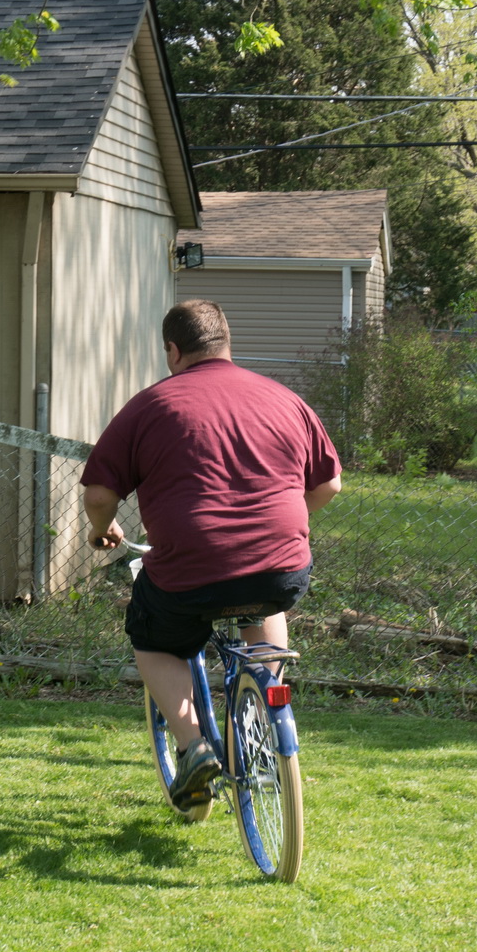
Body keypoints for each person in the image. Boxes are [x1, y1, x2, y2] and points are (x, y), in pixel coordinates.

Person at [81, 299, 342, 813]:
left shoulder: (151, 406)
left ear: (172, 350)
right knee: (265, 604)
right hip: (281, 567)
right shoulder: (284, 399)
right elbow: (329, 484)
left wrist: (103, 529)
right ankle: (263, 704)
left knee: (153, 639)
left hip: (190, 569)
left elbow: (98, 494)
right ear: (226, 343)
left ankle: (193, 746)